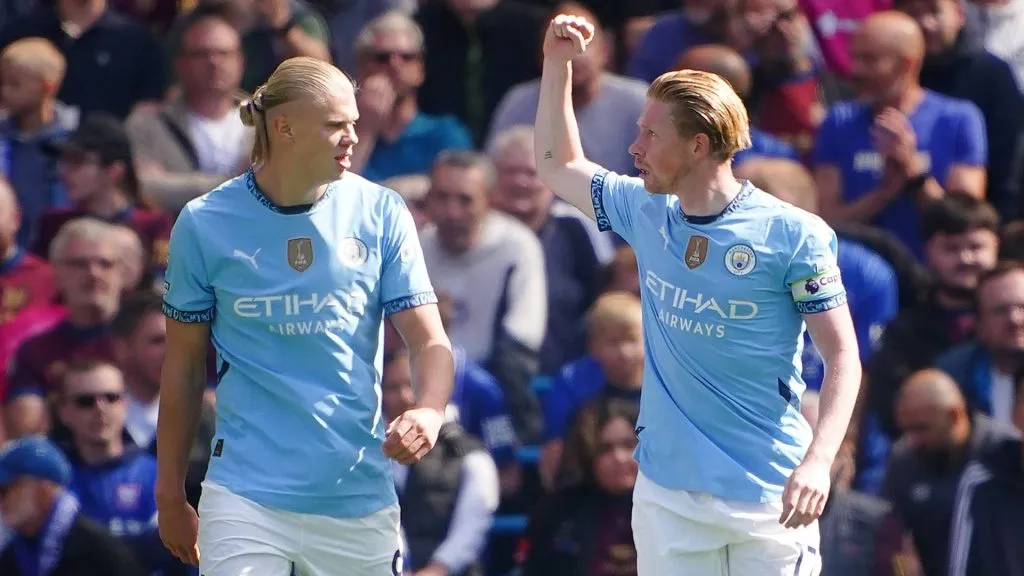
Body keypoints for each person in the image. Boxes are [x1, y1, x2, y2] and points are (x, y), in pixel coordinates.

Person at [534, 13, 862, 575]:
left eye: (650, 134)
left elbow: (842, 356)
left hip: (770, 493)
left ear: (697, 145)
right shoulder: (645, 209)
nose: (634, 147)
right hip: (668, 495)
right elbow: (556, 164)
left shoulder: (792, 234)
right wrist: (557, 63)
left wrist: (818, 461)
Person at [156, 56, 454, 576]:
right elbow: (182, 369)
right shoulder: (204, 223)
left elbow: (429, 341)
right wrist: (168, 494)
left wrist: (429, 410)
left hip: (355, 494)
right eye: (336, 124)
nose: (352, 138)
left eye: (355, 124)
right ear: (283, 126)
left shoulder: (381, 212)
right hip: (243, 494)